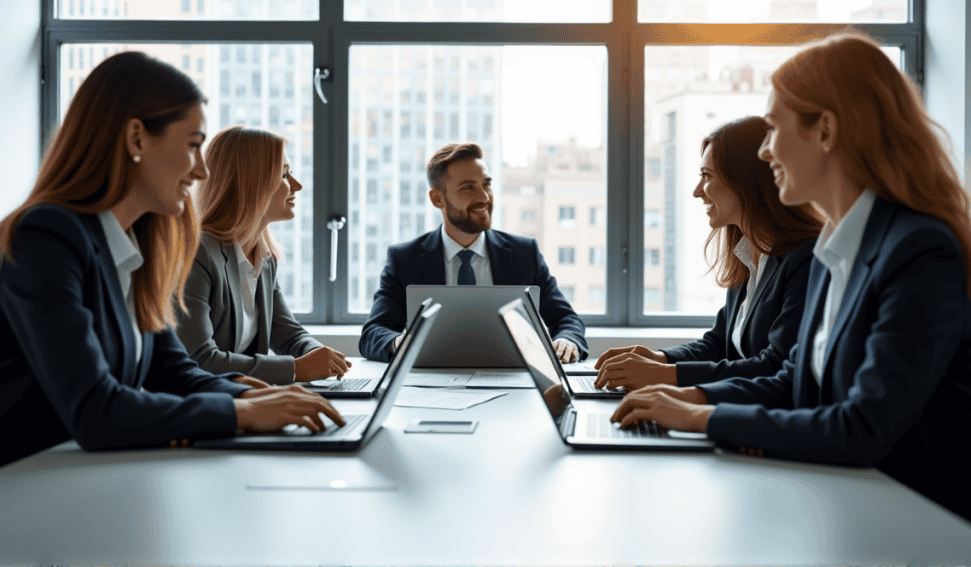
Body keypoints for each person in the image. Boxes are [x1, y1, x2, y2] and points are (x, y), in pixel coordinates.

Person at [609, 32, 971, 521]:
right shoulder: (834, 252)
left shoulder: (917, 251)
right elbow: (790, 381)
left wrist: (703, 416)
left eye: (774, 129)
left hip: (915, 524)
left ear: (825, 130)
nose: (764, 152)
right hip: (843, 502)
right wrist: (684, 396)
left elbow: (864, 426)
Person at [0, 51, 344, 486]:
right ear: (136, 139)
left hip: (79, 480)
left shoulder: (134, 244)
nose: (202, 170)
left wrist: (255, 393)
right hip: (5, 495)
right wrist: (239, 411)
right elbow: (95, 410)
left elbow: (171, 371)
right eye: (193, 145)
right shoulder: (45, 237)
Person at [593, 117, 823, 391]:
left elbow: (774, 366)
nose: (697, 191)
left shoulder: (805, 259)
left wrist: (664, 376)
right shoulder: (748, 256)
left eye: (707, 176)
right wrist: (658, 358)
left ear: (745, 180)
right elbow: (718, 344)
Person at [359, 142, 587, 363]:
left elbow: (566, 319)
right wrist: (400, 343)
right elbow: (374, 333)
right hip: (430, 386)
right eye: (468, 187)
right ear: (437, 198)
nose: (485, 197)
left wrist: (567, 340)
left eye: (486, 184)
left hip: (512, 385)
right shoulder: (405, 259)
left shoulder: (523, 254)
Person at [175, 126, 351, 385]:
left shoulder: (264, 257)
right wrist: (296, 369)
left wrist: (317, 354)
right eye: (284, 174)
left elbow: (287, 334)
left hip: (244, 401)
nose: (297, 185)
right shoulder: (198, 252)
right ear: (251, 182)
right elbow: (199, 359)